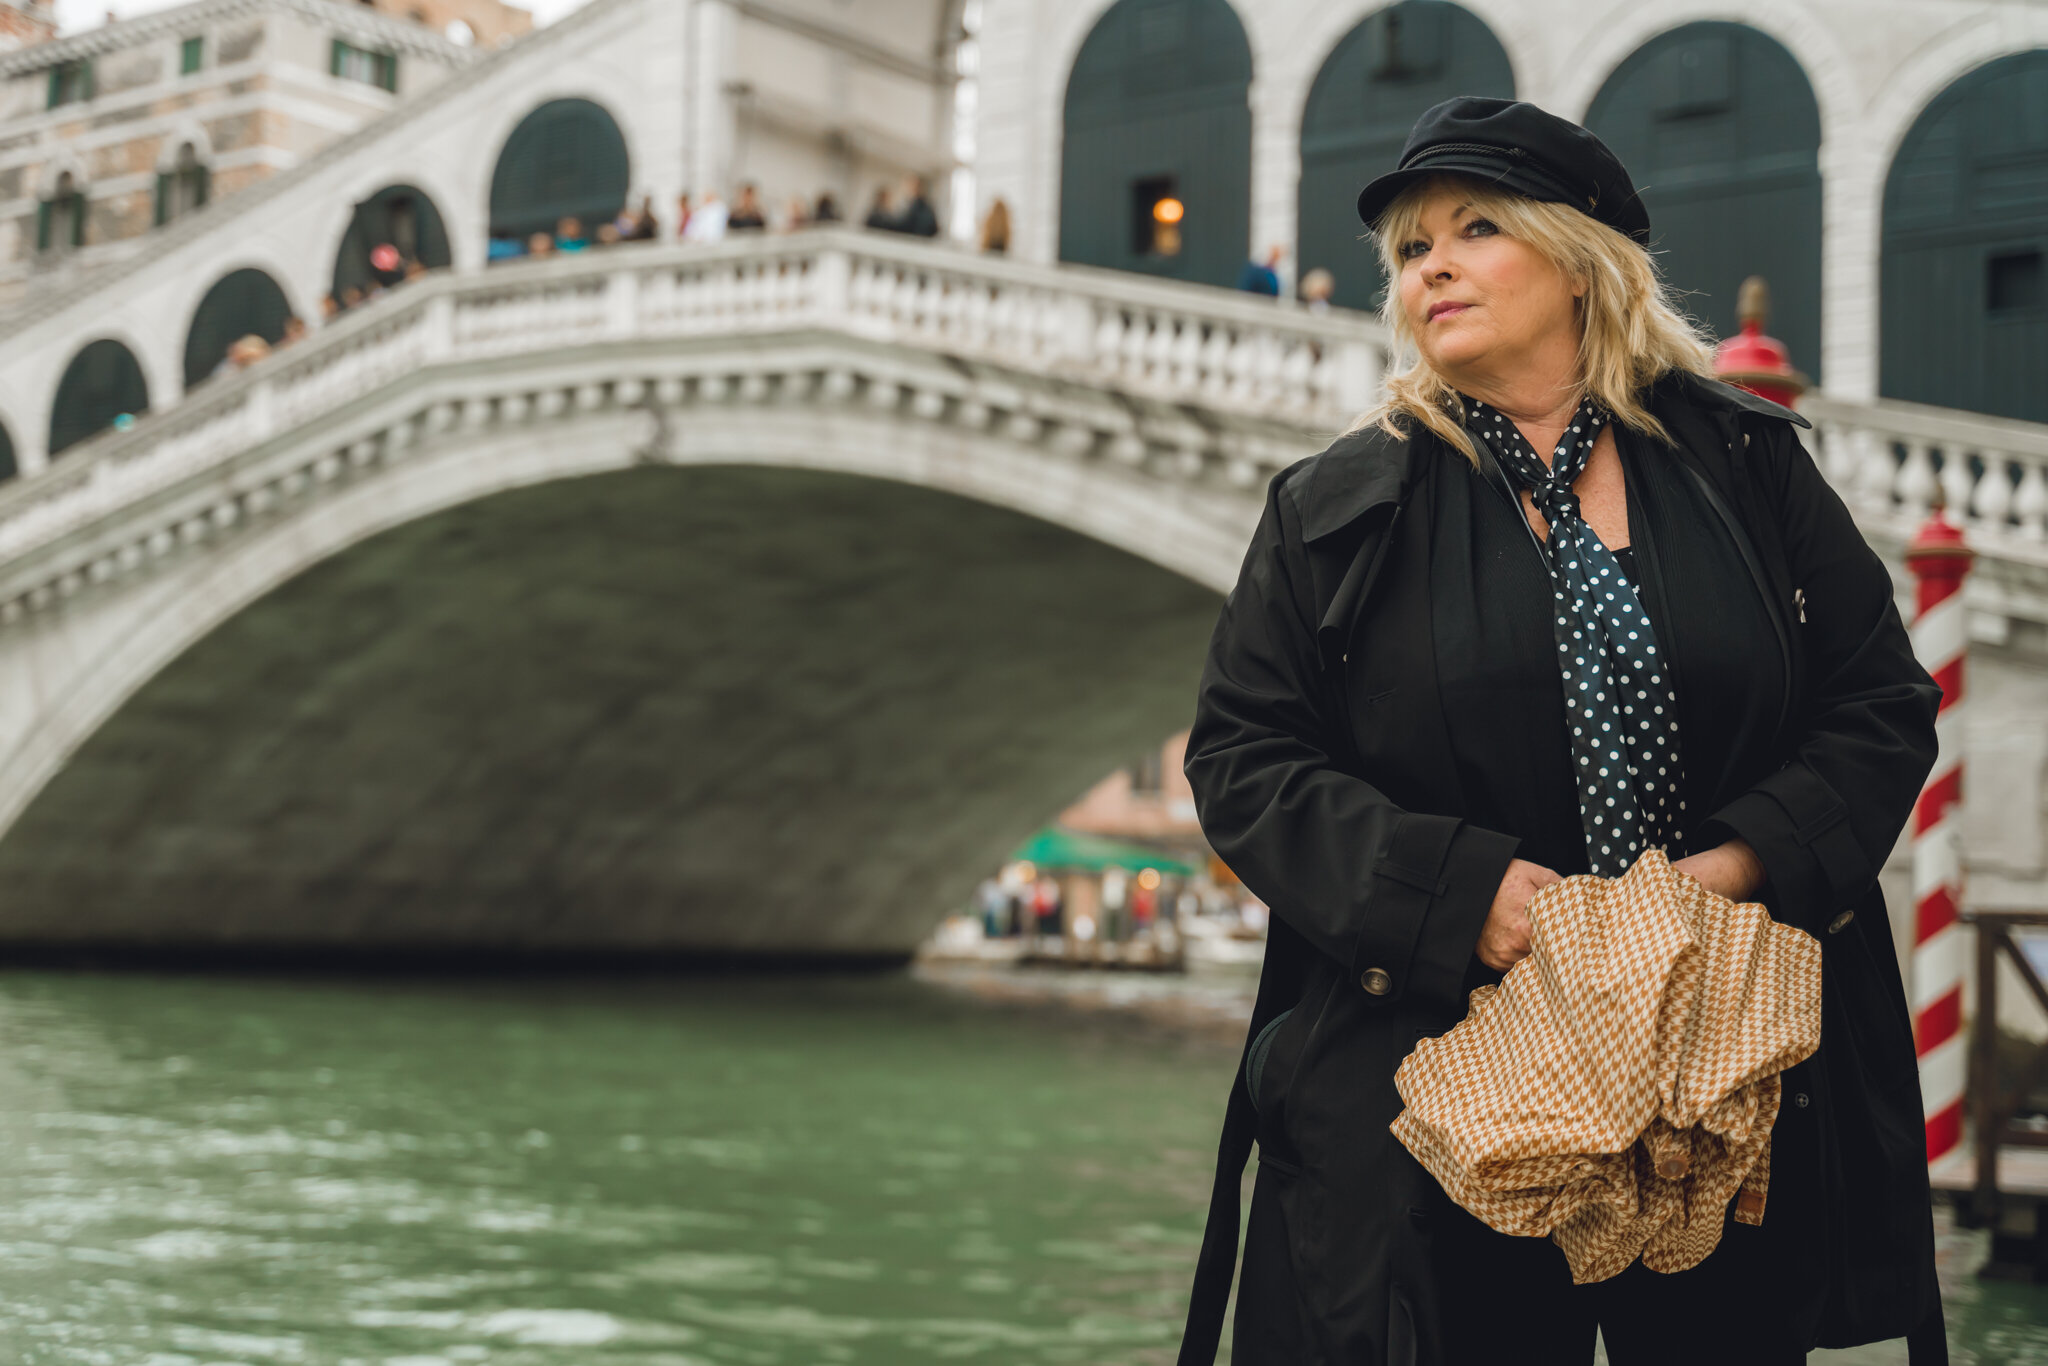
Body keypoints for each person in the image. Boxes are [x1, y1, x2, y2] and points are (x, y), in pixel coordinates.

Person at [1176, 97, 1945, 1366]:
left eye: (1473, 228)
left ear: (1578, 258)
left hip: (1715, 1069)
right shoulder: (1334, 507)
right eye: (1411, 247)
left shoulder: (1746, 469)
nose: (1430, 264)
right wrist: (1466, 893)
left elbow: (1876, 706)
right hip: (1433, 1084)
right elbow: (1244, 760)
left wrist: (1727, 872)